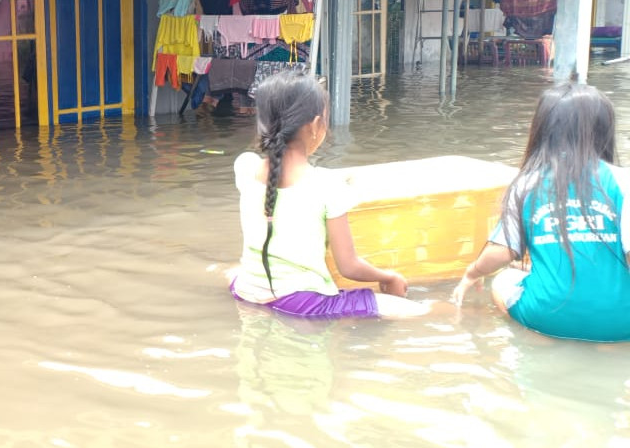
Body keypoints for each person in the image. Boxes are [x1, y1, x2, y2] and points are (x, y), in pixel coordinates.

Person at [228, 70, 426, 319]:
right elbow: (349, 266)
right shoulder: (327, 186)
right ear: (314, 126)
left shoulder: (245, 167)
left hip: (245, 289)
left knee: (230, 270)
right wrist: (389, 277)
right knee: (424, 311)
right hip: (302, 303)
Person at [452, 83, 630, 342]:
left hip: (547, 319)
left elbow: (501, 253)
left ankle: (542, 339)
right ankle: (609, 346)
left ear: (542, 130)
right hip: (622, 323)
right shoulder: (623, 182)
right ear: (603, 130)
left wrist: (472, 273)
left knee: (503, 280)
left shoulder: (526, 183)